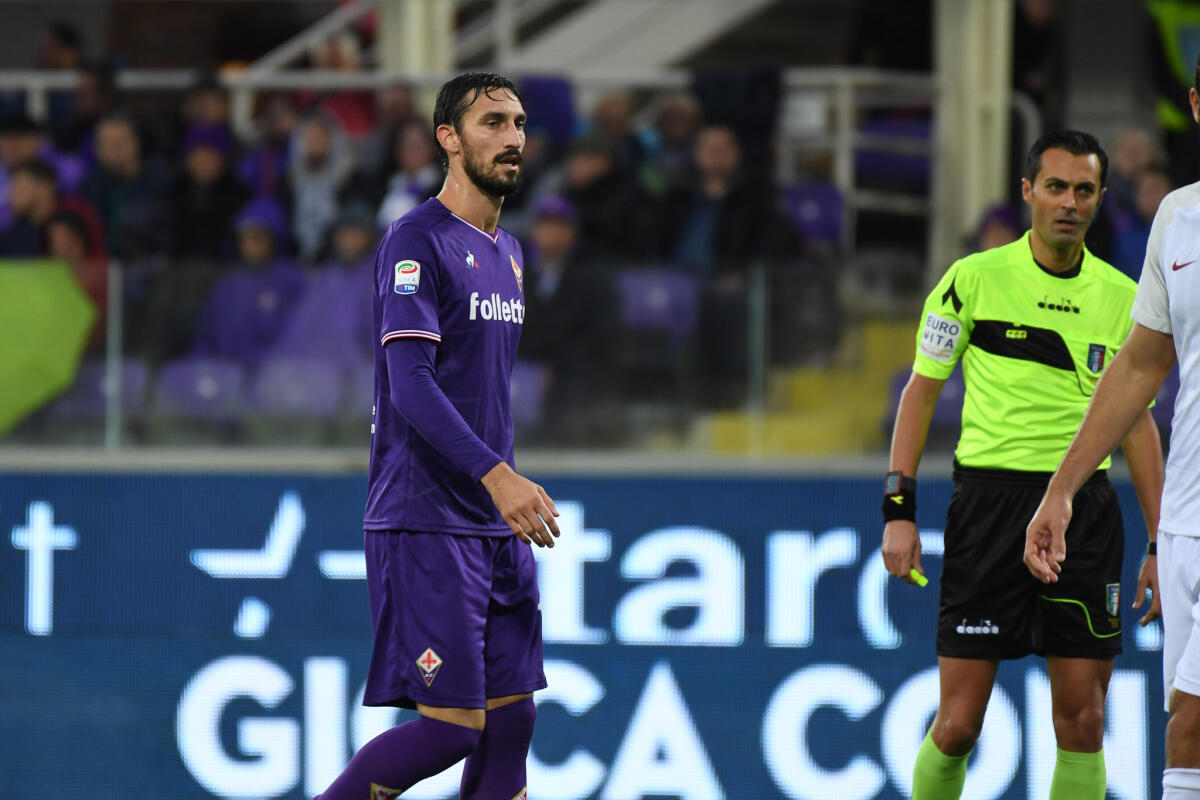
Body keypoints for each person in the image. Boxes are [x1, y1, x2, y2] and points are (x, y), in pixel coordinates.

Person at [881, 129, 1164, 800]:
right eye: (1057, 187)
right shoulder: (972, 281)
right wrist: (899, 512)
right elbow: (919, 393)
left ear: (1099, 199)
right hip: (987, 508)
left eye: (1085, 190)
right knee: (957, 725)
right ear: (1028, 192)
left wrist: (1161, 540)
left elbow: (1138, 423)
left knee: (1084, 718)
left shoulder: (1124, 298)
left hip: (1084, 515)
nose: (1069, 202)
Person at [314, 72, 559, 800]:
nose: (512, 138)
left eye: (517, 123)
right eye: (491, 123)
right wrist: (497, 475)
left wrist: (499, 485)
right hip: (427, 516)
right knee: (453, 727)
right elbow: (410, 383)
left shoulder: (511, 253)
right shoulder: (415, 240)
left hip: (493, 521)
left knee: (512, 722)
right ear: (448, 139)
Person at [1024, 75, 1200, 800]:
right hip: (1191, 522)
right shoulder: (1178, 217)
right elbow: (1139, 366)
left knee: (1193, 721)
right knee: (1187, 730)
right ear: (1195, 103)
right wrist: (1061, 489)